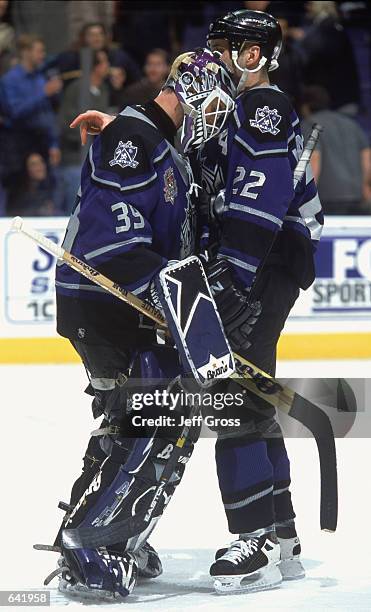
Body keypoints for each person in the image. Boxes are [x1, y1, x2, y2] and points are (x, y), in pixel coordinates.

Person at [46, 48, 235, 601]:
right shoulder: (137, 138)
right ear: (195, 90)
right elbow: (117, 239)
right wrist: (170, 293)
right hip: (102, 300)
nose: (217, 118)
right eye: (216, 103)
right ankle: (92, 541)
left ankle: (100, 532)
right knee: (153, 416)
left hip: (116, 304)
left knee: (133, 416)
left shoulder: (156, 142)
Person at [200, 9, 323, 593]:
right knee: (250, 393)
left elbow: (259, 198)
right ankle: (282, 532)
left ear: (256, 54)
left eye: (231, 46)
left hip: (261, 266)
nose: (221, 55)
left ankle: (254, 538)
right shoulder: (247, 108)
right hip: (264, 266)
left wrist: (233, 278)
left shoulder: (262, 106)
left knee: (234, 398)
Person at [0, 34, 62, 184]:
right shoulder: (10, 80)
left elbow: (48, 114)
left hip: (42, 142)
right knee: (19, 192)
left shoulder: (40, 77)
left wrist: (53, 144)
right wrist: (43, 93)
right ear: (26, 52)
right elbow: (14, 112)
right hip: (18, 144)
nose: (43, 55)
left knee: (47, 191)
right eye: (39, 51)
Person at [301, 85, 371, 214]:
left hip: (327, 198)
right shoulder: (351, 124)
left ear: (306, 106)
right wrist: (365, 188)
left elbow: (314, 160)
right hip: (355, 196)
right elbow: (367, 157)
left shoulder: (310, 124)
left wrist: (305, 200)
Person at [58, 49, 111, 214]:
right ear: (96, 66)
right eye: (105, 62)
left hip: (98, 157)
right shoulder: (76, 88)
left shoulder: (103, 89)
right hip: (75, 156)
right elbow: (66, 122)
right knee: (75, 201)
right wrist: (85, 136)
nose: (108, 66)